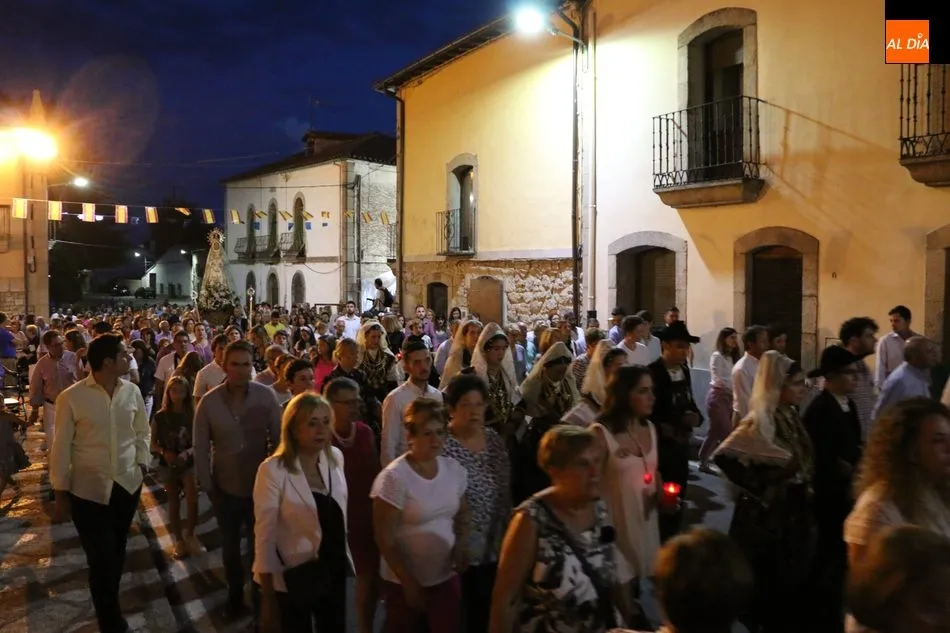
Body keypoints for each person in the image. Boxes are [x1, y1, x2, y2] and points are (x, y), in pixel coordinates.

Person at [50, 333, 150, 633]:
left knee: (116, 551)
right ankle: (110, 621)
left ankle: (111, 605)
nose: (129, 357)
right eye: (123, 354)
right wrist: (60, 493)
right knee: (100, 558)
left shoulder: (131, 391)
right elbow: (61, 447)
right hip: (89, 491)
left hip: (126, 485)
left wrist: (142, 462)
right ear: (107, 362)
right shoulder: (72, 398)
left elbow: (142, 430)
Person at [489, 425, 627, 633]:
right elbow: (505, 600)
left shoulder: (599, 508)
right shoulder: (530, 520)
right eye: (582, 464)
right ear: (555, 471)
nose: (594, 472)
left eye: (597, 461)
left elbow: (611, 570)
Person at [193, 340, 283, 621]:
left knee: (261, 547)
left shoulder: (266, 397)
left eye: (246, 364)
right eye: (235, 364)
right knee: (231, 548)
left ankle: (259, 600)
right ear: (224, 366)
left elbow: (279, 441)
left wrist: (277, 482)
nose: (242, 370)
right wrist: (209, 486)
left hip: (260, 488)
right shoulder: (209, 402)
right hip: (226, 488)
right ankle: (234, 598)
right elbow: (200, 447)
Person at [255, 393, 352, 633]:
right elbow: (265, 537)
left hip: (334, 571)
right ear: (294, 429)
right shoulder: (273, 470)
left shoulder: (335, 458)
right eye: (312, 423)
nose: (321, 430)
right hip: (294, 577)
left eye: (326, 422)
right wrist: (268, 598)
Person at [372, 398, 470, 632]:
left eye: (440, 432)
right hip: (404, 581)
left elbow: (463, 513)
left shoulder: (453, 470)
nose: (435, 440)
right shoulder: (394, 478)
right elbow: (384, 538)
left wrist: (462, 546)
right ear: (411, 436)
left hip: (444, 576)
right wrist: (408, 581)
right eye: (427, 433)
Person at [326, 377, 381, 633]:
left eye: (356, 401)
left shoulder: (365, 432)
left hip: (367, 516)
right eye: (347, 402)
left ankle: (366, 626)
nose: (355, 406)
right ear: (330, 404)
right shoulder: (323, 439)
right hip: (336, 520)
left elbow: (375, 473)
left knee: (371, 579)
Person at [151, 374, 204, 559]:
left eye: (181, 391)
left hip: (188, 462)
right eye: (174, 391)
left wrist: (187, 453)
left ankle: (191, 534)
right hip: (168, 464)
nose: (177, 395)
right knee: (173, 500)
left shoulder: (193, 415)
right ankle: (179, 540)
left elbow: (199, 440)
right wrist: (163, 451)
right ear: (168, 392)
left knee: (192, 497)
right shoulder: (160, 416)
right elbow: (152, 442)